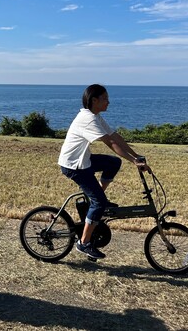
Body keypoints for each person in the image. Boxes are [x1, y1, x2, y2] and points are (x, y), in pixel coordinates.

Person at [58, 84, 150, 260]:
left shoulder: (95, 117)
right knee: (98, 202)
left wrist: (137, 156)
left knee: (113, 163)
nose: (109, 101)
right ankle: (83, 243)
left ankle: (98, 199)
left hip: (83, 161)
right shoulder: (88, 119)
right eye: (105, 98)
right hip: (73, 165)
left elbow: (115, 136)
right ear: (95, 100)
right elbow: (110, 143)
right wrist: (133, 162)